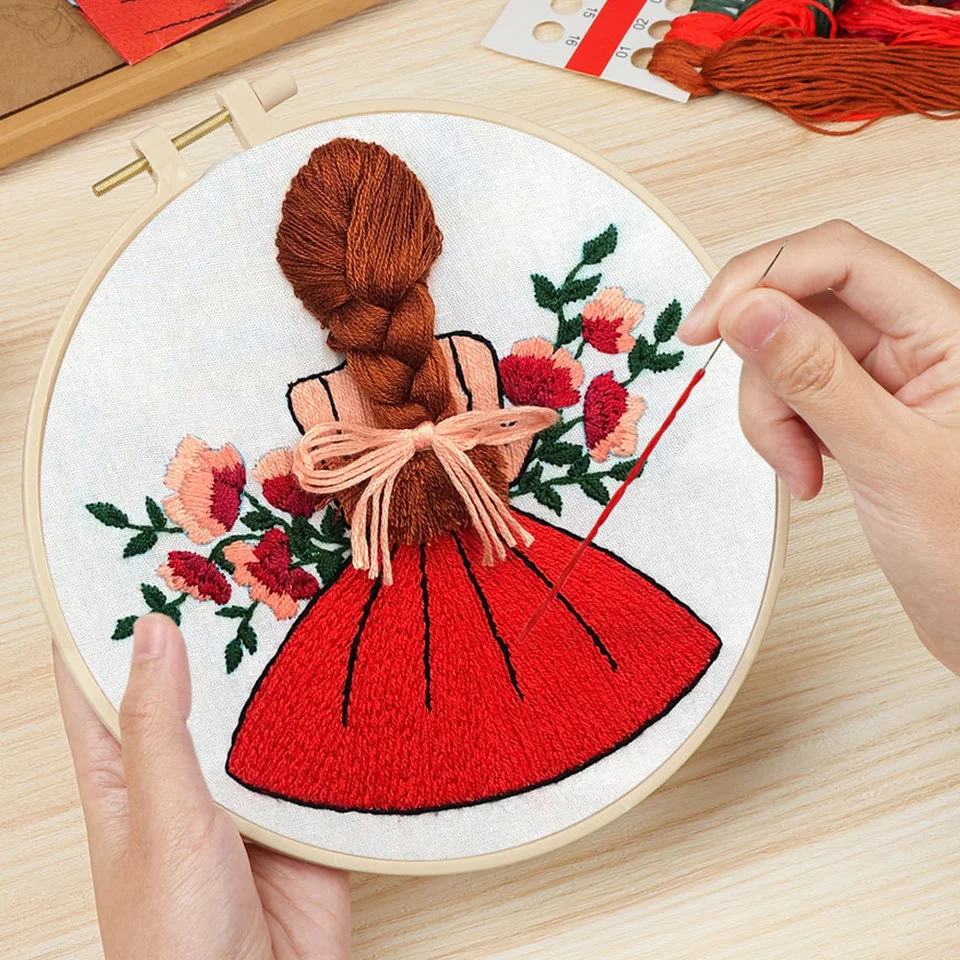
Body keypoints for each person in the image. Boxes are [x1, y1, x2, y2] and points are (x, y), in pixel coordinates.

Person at [54, 221, 960, 959]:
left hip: (387, 579)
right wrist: (452, 459)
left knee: (362, 715)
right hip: (503, 549)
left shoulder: (318, 400)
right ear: (420, 249)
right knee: (577, 667)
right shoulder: (462, 356)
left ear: (310, 284)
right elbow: (510, 454)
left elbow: (330, 485)